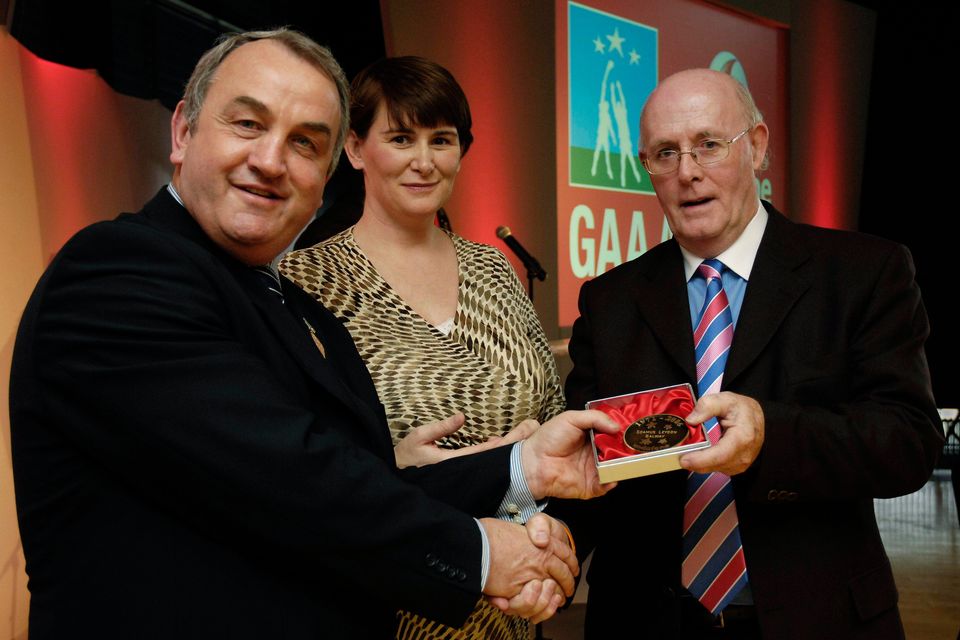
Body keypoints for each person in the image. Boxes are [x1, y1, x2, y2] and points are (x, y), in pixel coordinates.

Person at [8, 29, 621, 640]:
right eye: (248, 124)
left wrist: (522, 466)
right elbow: (286, 478)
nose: (272, 161)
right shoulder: (119, 270)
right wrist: (483, 553)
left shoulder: (292, 305)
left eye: (304, 143)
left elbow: (358, 473)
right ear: (183, 131)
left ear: (326, 174)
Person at [557, 68, 943, 639]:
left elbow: (908, 442)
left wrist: (770, 435)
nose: (687, 172)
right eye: (665, 153)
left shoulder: (864, 272)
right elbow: (592, 463)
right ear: (647, 169)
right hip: (643, 621)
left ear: (757, 146)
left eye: (708, 145)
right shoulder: (611, 301)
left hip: (821, 620)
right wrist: (551, 550)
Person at [280, 56, 567, 640]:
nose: (423, 161)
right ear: (355, 149)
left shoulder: (493, 270)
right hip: (386, 604)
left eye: (441, 140)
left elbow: (553, 419)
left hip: (513, 600)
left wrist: (546, 551)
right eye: (400, 138)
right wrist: (393, 462)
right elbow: (296, 466)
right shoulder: (307, 281)